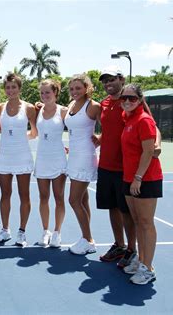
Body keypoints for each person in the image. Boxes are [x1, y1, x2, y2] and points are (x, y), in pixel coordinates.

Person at [119, 83, 163, 285]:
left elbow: (148, 151)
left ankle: (148, 268)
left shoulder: (143, 120)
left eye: (132, 98)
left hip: (146, 178)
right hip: (129, 177)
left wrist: (138, 178)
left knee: (146, 222)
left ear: (140, 100)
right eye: (124, 98)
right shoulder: (128, 117)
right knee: (137, 220)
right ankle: (142, 261)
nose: (127, 101)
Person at [94, 67, 137, 267]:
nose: (108, 84)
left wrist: (156, 144)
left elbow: (151, 126)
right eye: (105, 81)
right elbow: (109, 130)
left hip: (125, 168)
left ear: (121, 79)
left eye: (112, 79)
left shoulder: (130, 102)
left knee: (126, 211)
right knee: (112, 207)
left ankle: (131, 249)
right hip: (105, 165)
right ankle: (119, 245)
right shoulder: (104, 103)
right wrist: (99, 139)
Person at [0, 73, 38, 247]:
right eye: (8, 87)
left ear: (19, 88)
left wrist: (20, 137)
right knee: (5, 194)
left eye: (14, 87)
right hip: (4, 156)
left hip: (22, 156)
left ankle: (22, 232)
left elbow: (34, 133)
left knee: (24, 195)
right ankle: (5, 230)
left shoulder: (29, 108)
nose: (11, 90)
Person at [64, 74, 101, 255]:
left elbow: (111, 125)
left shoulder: (94, 106)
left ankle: (88, 240)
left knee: (73, 200)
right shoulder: (71, 105)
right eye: (72, 89)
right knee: (83, 200)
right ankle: (87, 238)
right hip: (74, 155)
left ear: (86, 87)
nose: (74, 91)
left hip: (86, 157)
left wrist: (101, 138)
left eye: (78, 88)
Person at [34, 79, 68, 248]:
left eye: (48, 92)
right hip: (42, 159)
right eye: (42, 92)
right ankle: (45, 231)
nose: (45, 95)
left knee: (59, 197)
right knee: (43, 197)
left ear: (55, 93)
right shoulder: (37, 109)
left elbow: (77, 130)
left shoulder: (63, 111)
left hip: (58, 159)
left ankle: (57, 232)